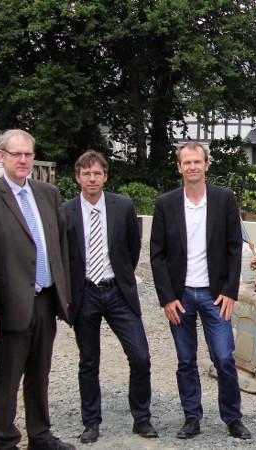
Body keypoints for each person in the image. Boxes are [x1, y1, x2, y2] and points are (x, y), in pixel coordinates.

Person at [0, 129, 75, 450]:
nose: (24, 160)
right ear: (1, 156)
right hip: (9, 306)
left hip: (44, 300)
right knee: (8, 378)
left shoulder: (47, 194)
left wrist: (62, 298)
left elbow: (59, 246)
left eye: (28, 154)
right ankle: (4, 440)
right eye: (16, 154)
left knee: (40, 374)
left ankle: (40, 437)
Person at [149, 141, 251, 440]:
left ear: (207, 165)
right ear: (179, 167)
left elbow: (235, 247)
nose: (192, 166)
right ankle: (192, 417)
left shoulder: (223, 200)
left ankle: (233, 418)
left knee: (224, 357)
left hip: (214, 294)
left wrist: (231, 291)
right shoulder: (165, 204)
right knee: (185, 359)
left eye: (198, 161)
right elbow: (157, 254)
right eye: (186, 162)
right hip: (180, 296)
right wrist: (166, 297)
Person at [64, 150, 157, 443]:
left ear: (105, 176)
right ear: (77, 177)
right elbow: (63, 255)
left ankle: (141, 418)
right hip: (85, 293)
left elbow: (132, 247)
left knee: (140, 356)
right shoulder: (65, 210)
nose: (92, 178)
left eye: (97, 173)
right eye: (86, 173)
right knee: (89, 361)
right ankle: (91, 421)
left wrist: (121, 276)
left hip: (117, 291)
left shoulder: (123, 205)